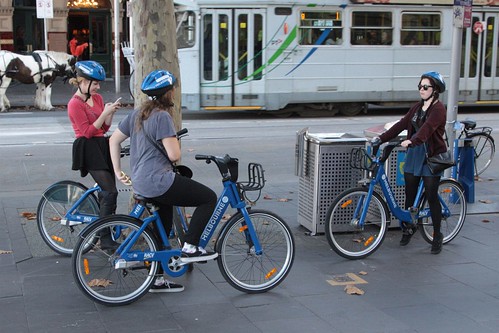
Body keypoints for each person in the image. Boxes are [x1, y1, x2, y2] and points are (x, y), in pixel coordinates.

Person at [109, 69, 218, 292]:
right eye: (173, 89)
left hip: (141, 181)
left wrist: (118, 171)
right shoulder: (162, 117)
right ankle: (190, 246)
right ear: (167, 93)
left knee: (163, 227)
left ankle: (156, 280)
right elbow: (174, 155)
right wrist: (174, 141)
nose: (175, 91)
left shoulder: (138, 114)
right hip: (159, 181)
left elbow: (113, 140)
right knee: (208, 198)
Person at [371, 71, 447, 254]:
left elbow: (427, 130)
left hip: (431, 156)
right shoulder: (416, 107)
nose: (421, 89)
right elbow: (401, 124)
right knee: (410, 195)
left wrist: (413, 141)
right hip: (414, 154)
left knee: (431, 195)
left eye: (426, 87)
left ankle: (437, 235)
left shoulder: (438, 109)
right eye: (420, 86)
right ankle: (408, 227)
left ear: (435, 90)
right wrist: (380, 139)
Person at [68, 61, 121, 249]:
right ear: (83, 82)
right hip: (87, 148)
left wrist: (110, 113)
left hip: (102, 145)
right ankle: (105, 238)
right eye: (95, 83)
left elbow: (104, 128)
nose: (98, 87)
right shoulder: (74, 104)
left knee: (108, 194)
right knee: (110, 192)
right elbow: (88, 132)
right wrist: (104, 113)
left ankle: (103, 230)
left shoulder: (97, 98)